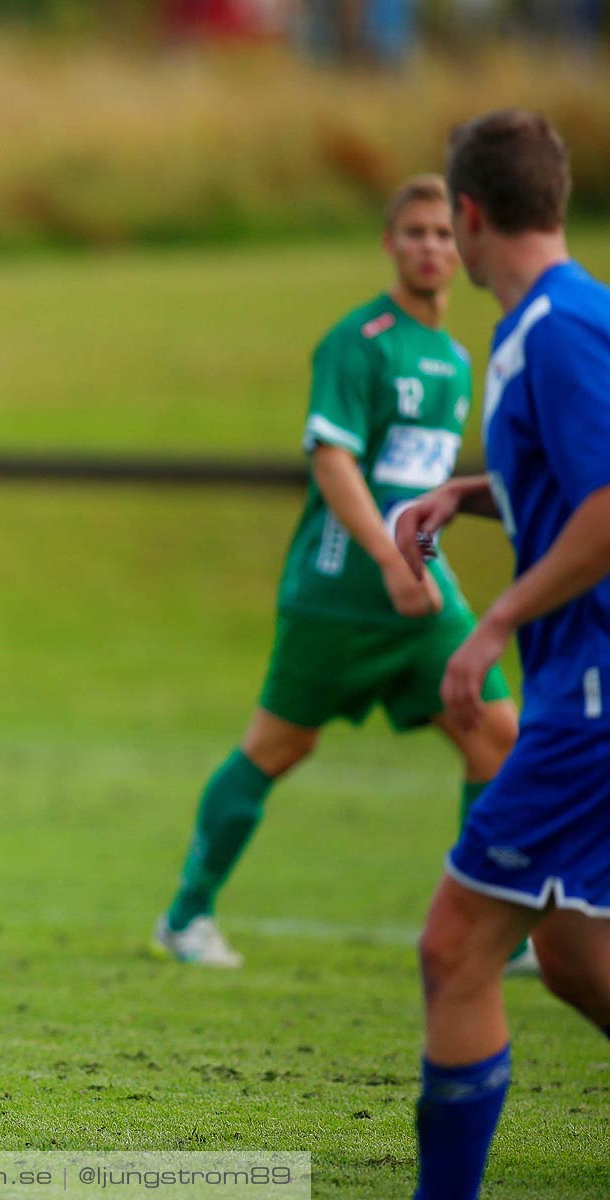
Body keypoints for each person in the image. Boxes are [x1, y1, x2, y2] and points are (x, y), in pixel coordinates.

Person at [152, 174, 519, 968]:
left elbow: (416, 482)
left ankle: (494, 924)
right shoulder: (361, 341)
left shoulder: (454, 358)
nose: (431, 247)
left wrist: (415, 561)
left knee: (496, 736)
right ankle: (186, 917)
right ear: (390, 243)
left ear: (465, 245)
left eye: (444, 234)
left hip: (424, 591)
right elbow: (333, 460)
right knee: (278, 748)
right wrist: (388, 557)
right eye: (415, 232)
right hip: (339, 592)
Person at [392, 109, 610, 1200]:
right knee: (576, 958)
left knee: (456, 946)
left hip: (591, 691)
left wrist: (489, 624)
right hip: (584, 684)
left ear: (469, 215)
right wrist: (475, 493)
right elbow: (576, 480)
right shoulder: (549, 321)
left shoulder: (560, 328)